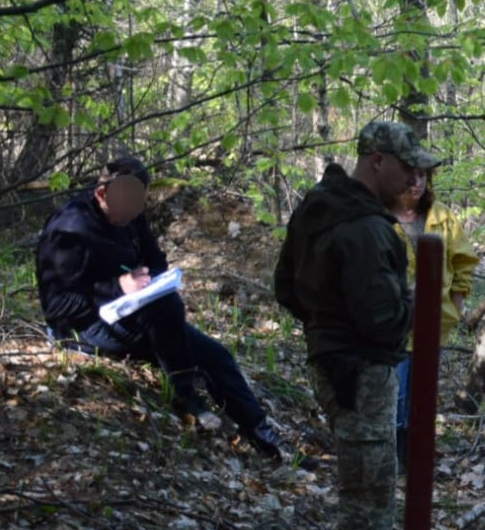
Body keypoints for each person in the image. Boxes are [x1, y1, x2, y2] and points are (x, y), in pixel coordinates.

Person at [274, 121, 436, 530]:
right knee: (370, 484)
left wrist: (326, 323)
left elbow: (287, 288)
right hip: (360, 370)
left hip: (334, 360)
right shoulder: (364, 228)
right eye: (407, 167)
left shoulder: (319, 207)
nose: (414, 179)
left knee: (368, 476)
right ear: (376, 161)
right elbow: (384, 320)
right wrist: (413, 305)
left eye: (418, 170)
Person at [37, 155, 299, 464]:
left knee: (217, 356)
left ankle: (270, 444)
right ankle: (184, 392)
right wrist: (117, 287)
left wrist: (148, 278)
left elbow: (155, 259)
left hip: (139, 317)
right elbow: (57, 308)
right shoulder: (70, 231)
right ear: (101, 194)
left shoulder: (130, 212)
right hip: (84, 329)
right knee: (167, 307)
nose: (132, 215)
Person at [390, 164, 479, 469]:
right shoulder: (381, 216)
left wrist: (455, 305)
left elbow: (463, 261)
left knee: (423, 393)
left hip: (434, 323)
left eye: (422, 176)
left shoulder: (442, 217)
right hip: (394, 325)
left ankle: (417, 455)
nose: (415, 183)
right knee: (397, 393)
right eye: (409, 174)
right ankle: (398, 456)